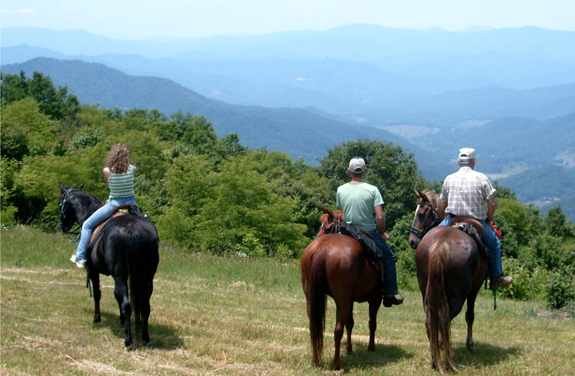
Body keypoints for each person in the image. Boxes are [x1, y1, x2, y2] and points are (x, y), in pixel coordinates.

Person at [439, 148, 513, 290]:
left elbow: (442, 203)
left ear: (459, 162)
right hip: (477, 221)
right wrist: (488, 220)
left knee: (430, 236)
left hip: (453, 219)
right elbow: (491, 203)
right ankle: (496, 278)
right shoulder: (481, 178)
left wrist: (444, 218)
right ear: (474, 162)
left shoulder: (449, 178)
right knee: (495, 244)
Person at [336, 157, 404, 307]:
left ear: (349, 171)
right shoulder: (372, 190)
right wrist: (381, 234)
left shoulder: (340, 189)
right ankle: (390, 292)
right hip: (368, 232)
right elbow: (380, 216)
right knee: (389, 258)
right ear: (365, 171)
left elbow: (341, 212)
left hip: (346, 231)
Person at [70, 144, 137, 268]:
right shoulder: (132, 169)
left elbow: (111, 186)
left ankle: (80, 257)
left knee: (87, 225)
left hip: (114, 204)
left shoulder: (107, 171)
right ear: (127, 157)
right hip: (131, 205)